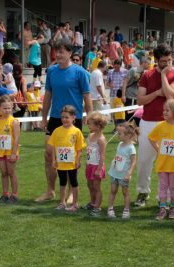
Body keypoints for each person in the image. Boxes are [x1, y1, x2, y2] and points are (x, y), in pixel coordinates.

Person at [36, 40, 92, 203]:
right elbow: (47, 96)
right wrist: (44, 118)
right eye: (56, 52)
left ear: (69, 53)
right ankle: (50, 191)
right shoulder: (52, 71)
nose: (59, 54)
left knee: (70, 156)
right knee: (49, 154)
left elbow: (87, 96)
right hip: (55, 118)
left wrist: (90, 116)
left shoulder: (80, 72)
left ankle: (71, 193)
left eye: (62, 52)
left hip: (74, 120)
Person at [134, 44, 174, 207]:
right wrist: (155, 94)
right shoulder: (146, 75)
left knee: (170, 161)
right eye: (163, 61)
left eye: (170, 60)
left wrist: (163, 76)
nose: (168, 64)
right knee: (143, 161)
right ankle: (143, 191)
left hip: (170, 124)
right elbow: (140, 100)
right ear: (156, 59)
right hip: (148, 121)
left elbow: (170, 95)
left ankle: (166, 197)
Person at [148, 100, 174, 220]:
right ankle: (162, 208)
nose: (164, 112)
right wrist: (158, 149)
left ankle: (173, 207)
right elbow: (151, 138)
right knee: (163, 186)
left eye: (167, 110)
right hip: (163, 163)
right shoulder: (160, 125)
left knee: (173, 186)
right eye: (164, 110)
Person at [47, 105, 86, 211]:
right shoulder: (56, 131)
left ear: (74, 117)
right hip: (60, 163)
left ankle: (75, 204)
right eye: (62, 117)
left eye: (67, 117)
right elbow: (53, 147)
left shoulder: (77, 132)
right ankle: (62, 203)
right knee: (62, 182)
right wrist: (54, 161)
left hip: (72, 163)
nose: (64, 119)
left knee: (74, 182)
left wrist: (78, 160)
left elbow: (79, 148)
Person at [107, 123, 139, 219]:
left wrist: (129, 173)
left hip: (124, 175)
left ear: (128, 135)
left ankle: (126, 210)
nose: (117, 135)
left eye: (119, 133)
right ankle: (110, 209)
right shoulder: (120, 144)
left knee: (125, 192)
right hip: (115, 172)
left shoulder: (131, 148)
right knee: (113, 190)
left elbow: (133, 162)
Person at [0, 95, 20, 203]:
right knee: (3, 173)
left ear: (12, 107)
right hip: (0, 152)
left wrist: (14, 153)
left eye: (9, 108)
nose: (7, 110)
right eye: (4, 108)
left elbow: (17, 138)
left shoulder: (14, 121)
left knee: (11, 172)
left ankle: (14, 194)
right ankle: (5, 194)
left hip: (11, 152)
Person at [85, 112, 108, 216]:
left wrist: (99, 169)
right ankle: (92, 202)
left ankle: (97, 207)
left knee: (96, 187)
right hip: (89, 165)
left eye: (90, 124)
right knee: (90, 185)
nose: (88, 125)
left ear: (98, 126)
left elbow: (102, 155)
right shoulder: (90, 136)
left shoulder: (101, 140)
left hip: (97, 166)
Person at [122, 56, 150, 121]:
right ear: (144, 63)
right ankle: (128, 130)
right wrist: (123, 95)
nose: (149, 65)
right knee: (130, 118)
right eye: (148, 63)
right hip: (130, 97)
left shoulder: (145, 72)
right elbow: (125, 82)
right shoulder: (133, 70)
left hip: (138, 98)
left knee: (138, 118)